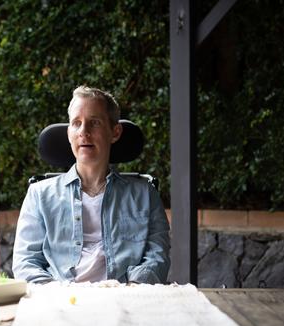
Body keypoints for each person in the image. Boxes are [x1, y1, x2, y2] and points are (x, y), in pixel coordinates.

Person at [12, 86, 170, 284]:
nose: (83, 132)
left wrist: (132, 290)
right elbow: (26, 262)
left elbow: (157, 257)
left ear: (115, 132)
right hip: (61, 301)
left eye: (94, 123)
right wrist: (58, 295)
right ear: (69, 133)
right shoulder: (39, 195)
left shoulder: (145, 195)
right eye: (76, 123)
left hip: (125, 298)